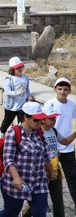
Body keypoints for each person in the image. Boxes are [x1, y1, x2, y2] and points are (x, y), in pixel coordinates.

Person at [0, 101, 56, 217]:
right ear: (25, 117)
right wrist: (16, 178)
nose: (39, 122)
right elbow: (8, 159)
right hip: (16, 183)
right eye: (36, 120)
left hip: (38, 182)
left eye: (41, 119)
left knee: (40, 213)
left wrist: (50, 172)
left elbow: (45, 155)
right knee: (11, 213)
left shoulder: (39, 132)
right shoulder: (14, 133)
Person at [23, 105, 76, 217]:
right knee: (39, 200)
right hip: (41, 170)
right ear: (43, 119)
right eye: (51, 118)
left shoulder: (53, 131)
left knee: (58, 199)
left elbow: (65, 141)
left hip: (54, 168)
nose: (54, 120)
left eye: (55, 118)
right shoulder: (37, 133)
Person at [44, 77, 76, 209]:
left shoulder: (72, 105)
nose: (62, 92)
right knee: (47, 178)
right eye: (60, 89)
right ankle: (42, 204)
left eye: (65, 89)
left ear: (69, 91)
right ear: (55, 90)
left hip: (66, 147)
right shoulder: (49, 104)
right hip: (51, 149)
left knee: (73, 178)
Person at [0, 56, 34, 138]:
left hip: (22, 106)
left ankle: (19, 137)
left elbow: (27, 89)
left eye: (21, 67)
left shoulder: (25, 78)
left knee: (21, 123)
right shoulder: (9, 79)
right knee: (7, 122)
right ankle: (1, 134)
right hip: (11, 106)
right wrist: (17, 93)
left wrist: (29, 95)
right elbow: (7, 92)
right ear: (13, 69)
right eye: (17, 68)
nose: (20, 69)